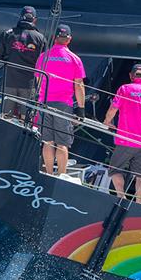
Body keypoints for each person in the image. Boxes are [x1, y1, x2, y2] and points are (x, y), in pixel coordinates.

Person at [103, 63, 141, 203]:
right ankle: (138, 203)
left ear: (131, 76)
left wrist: (107, 121)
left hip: (125, 139)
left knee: (115, 169)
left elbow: (113, 109)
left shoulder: (125, 89)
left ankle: (121, 197)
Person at [34, 24, 86, 175]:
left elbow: (37, 80)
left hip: (44, 103)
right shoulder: (74, 59)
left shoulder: (44, 56)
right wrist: (81, 109)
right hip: (63, 105)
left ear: (54, 38)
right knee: (62, 144)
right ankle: (61, 176)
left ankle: (49, 173)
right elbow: (79, 85)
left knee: (48, 142)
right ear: (69, 39)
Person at [0, 6, 46, 120]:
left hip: (9, 81)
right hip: (29, 84)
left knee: (6, 116)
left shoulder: (7, 33)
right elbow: (44, 65)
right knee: (25, 119)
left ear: (20, 17)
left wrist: (8, 63)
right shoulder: (41, 38)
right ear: (34, 19)